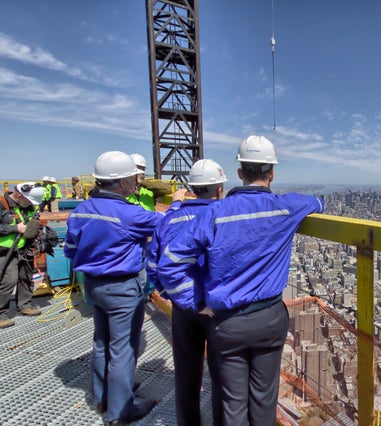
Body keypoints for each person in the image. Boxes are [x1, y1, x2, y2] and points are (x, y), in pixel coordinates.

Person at [158, 135, 324, 425]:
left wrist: (194, 302)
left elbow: (170, 263)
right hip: (270, 318)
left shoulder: (214, 213)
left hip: (228, 322)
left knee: (232, 405)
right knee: (264, 400)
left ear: (238, 173)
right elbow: (317, 202)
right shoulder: (286, 207)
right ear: (272, 173)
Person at [64, 151, 186, 425]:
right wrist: (176, 203)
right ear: (121, 183)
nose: (135, 183)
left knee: (101, 341)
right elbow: (165, 224)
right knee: (123, 348)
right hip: (121, 287)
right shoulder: (128, 214)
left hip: (93, 285)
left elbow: (70, 251)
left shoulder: (81, 211)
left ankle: (101, 396)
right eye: (132, 178)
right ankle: (120, 411)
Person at [147, 159, 227, 425]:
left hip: (183, 307)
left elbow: (153, 265)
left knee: (186, 371)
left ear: (192, 188)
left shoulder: (169, 218)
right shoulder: (226, 216)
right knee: (221, 376)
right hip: (216, 309)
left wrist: (170, 295)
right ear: (219, 189)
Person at [0, 182, 45, 328]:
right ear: (19, 195)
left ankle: (24, 305)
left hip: (24, 247)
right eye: (29, 201)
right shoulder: (2, 204)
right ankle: (1, 313)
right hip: (6, 250)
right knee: (8, 280)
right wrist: (15, 228)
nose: (31, 205)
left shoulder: (29, 206)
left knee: (26, 277)